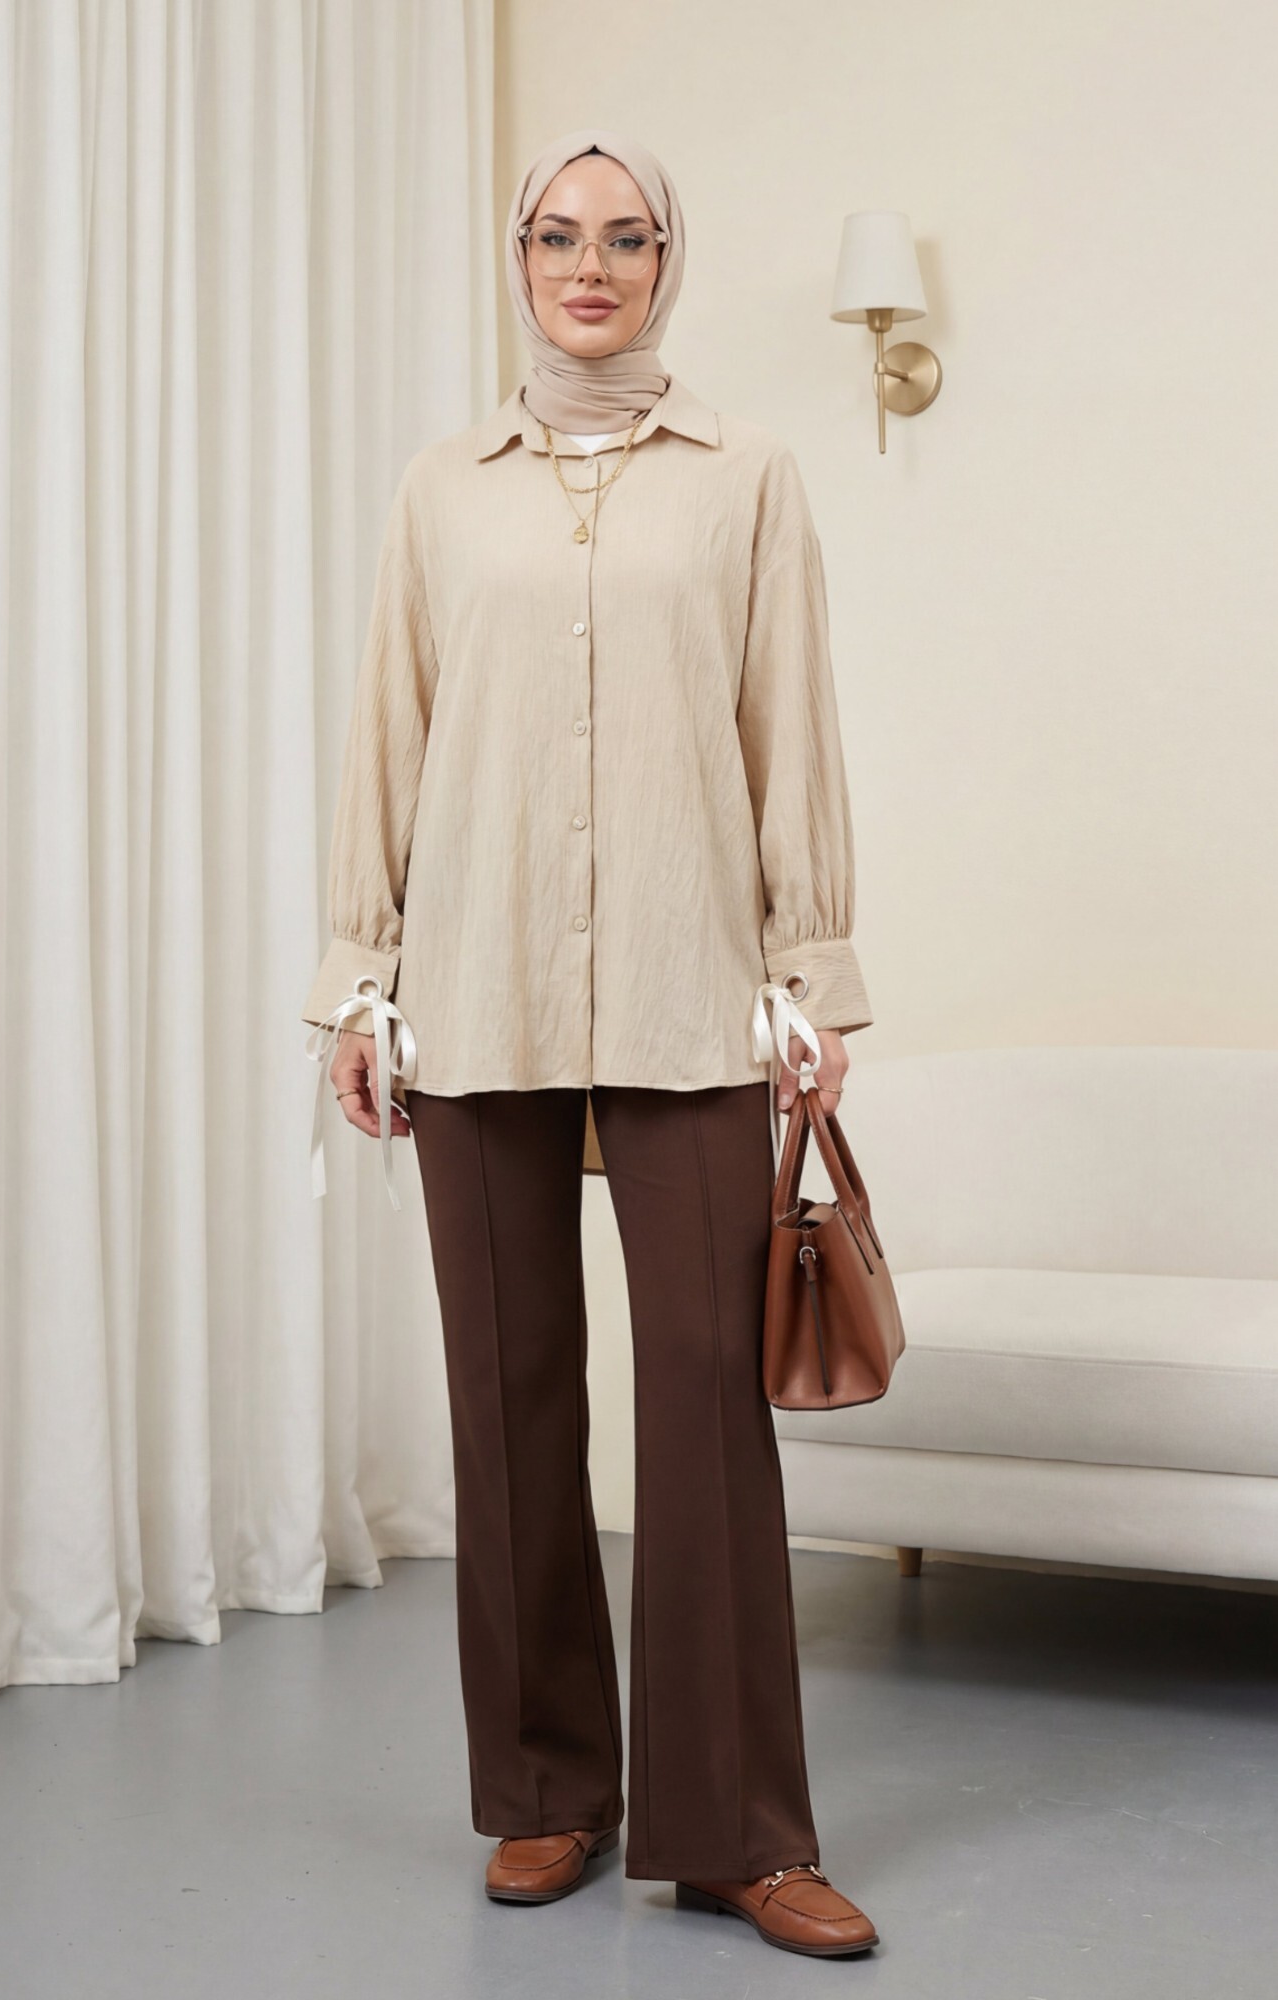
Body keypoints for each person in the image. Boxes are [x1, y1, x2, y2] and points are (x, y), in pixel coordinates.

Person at [301, 127, 879, 1961]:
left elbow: (789, 725)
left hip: (689, 986)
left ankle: (738, 1831)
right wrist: (359, 978)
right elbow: (387, 733)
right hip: (472, 987)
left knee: (707, 1401)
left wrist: (810, 977)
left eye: (626, 238)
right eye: (557, 235)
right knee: (507, 1398)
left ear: (664, 265)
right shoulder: (440, 490)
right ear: (520, 258)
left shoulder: (747, 477)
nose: (589, 265)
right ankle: (548, 1791)